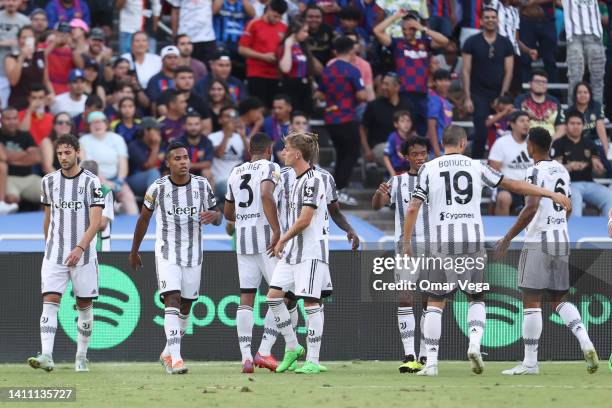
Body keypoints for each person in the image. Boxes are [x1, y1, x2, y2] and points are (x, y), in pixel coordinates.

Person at [402, 125, 570, 376]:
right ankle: (475, 345)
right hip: (472, 241)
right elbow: (513, 185)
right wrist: (549, 193)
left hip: (440, 244)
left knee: (435, 303)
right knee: (476, 298)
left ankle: (433, 363)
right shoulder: (476, 166)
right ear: (463, 143)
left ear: (443, 142)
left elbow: (414, 207)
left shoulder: (428, 168)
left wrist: (406, 242)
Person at [495, 127, 599, 375]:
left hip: (539, 240)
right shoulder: (561, 169)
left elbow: (530, 207)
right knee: (559, 299)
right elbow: (569, 207)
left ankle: (530, 363)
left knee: (531, 302)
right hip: (561, 238)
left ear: (530, 146)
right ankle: (586, 341)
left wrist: (508, 237)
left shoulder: (534, 171)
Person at [129, 141, 222, 375]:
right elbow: (143, 220)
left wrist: (215, 215)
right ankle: (177, 360)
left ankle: (167, 352)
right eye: (178, 158)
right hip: (167, 253)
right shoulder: (157, 188)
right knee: (172, 299)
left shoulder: (202, 185)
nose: (183, 162)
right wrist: (134, 250)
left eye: (185, 157)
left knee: (186, 306)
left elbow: (219, 217)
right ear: (168, 163)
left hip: (193, 255)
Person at [27, 134, 103, 373]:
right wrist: (48, 246)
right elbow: (48, 218)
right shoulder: (48, 181)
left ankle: (81, 356)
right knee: (49, 303)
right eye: (60, 153)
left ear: (77, 152)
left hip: (84, 255)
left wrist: (80, 248)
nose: (63, 157)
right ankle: (47, 355)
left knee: (84, 306)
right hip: (55, 254)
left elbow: (96, 222)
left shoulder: (92, 182)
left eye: (68, 152)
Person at [266, 132, 328, 374]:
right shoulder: (294, 178)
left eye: (286, 149)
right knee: (273, 297)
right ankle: (293, 346)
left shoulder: (314, 180)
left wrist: (282, 238)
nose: (283, 153)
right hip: (293, 252)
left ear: (298, 154)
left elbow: (305, 220)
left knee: (311, 303)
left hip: (310, 252)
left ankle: (313, 360)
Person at [222, 132, 282, 373]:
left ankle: (246, 357)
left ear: (249, 150)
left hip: (243, 241)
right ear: (269, 150)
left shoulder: (235, 172)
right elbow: (267, 194)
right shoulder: (271, 167)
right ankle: (264, 350)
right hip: (268, 241)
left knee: (246, 297)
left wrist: (245, 219)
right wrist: (276, 229)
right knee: (281, 296)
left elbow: (227, 213)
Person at [371, 136, 430, 373]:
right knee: (405, 298)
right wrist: (378, 193)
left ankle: (426, 355)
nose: (420, 157)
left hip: (431, 247)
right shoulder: (397, 182)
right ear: (406, 157)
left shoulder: (435, 179)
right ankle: (409, 355)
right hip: (405, 248)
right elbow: (377, 205)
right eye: (415, 154)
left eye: (423, 153)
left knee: (429, 301)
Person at [373, 9, 448, 136]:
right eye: (405, 28)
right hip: (404, 94)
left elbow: (444, 41)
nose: (407, 31)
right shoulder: (397, 43)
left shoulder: (425, 43)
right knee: (405, 130)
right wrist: (395, 17)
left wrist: (422, 28)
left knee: (423, 131)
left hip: (423, 94)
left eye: (411, 28)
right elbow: (377, 31)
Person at [317, 36, 367, 206]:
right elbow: (361, 95)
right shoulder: (353, 70)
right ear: (352, 50)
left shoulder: (327, 70)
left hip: (331, 119)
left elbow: (320, 94)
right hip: (347, 117)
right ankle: (340, 189)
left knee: (341, 154)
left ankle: (335, 190)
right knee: (351, 154)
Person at [462, 6, 514, 159]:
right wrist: (467, 97)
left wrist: (503, 96)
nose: (490, 20)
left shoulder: (506, 43)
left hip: (499, 93)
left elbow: (509, 71)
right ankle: (476, 163)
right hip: (478, 94)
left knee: (503, 132)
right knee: (481, 132)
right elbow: (465, 70)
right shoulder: (471, 42)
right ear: (481, 21)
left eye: (493, 17)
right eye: (487, 17)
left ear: (498, 20)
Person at [551, 109, 612, 217]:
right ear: (566, 125)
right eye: (572, 123)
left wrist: (598, 169)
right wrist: (569, 167)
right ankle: (575, 232)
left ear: (583, 125)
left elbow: (598, 172)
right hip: (568, 184)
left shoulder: (590, 144)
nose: (576, 126)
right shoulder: (558, 143)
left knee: (609, 196)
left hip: (589, 183)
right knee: (575, 198)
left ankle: (608, 229)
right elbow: (554, 170)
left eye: (579, 123)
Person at [79, 111, 138, 214]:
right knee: (102, 205)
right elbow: (89, 166)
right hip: (94, 181)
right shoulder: (84, 140)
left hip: (117, 180)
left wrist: (119, 181)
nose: (97, 125)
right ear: (89, 126)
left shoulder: (117, 138)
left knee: (129, 198)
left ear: (106, 124)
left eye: (100, 122)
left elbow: (123, 162)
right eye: (93, 122)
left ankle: (134, 228)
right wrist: (104, 182)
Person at [238, 0, 288, 107]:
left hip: (276, 75)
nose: (277, 19)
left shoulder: (284, 27)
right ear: (269, 9)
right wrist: (263, 56)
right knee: (258, 108)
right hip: (257, 74)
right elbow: (242, 49)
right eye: (275, 16)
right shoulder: (253, 24)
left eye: (280, 17)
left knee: (275, 109)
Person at [360, 73, 412, 168]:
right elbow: (362, 129)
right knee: (393, 154)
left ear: (396, 87)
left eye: (387, 84)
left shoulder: (407, 106)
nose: (383, 87)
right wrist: (367, 150)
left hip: (402, 146)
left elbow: (412, 131)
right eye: (382, 84)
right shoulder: (374, 105)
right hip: (380, 147)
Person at [488, 111, 533, 215]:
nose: (526, 124)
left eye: (528, 121)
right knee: (503, 199)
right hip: (507, 186)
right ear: (512, 125)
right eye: (522, 121)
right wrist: (510, 184)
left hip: (529, 187)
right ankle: (502, 231)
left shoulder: (533, 142)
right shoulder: (501, 143)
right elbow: (493, 170)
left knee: (537, 199)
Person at [562, 0, 606, 104]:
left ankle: (597, 113)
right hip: (574, 37)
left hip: (594, 37)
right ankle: (572, 113)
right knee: (575, 77)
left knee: (597, 79)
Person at [0, 106, 42, 207]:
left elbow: (36, 158)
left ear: (18, 119)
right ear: (1, 120)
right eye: (8, 119)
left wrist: (10, 157)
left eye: (14, 118)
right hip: (9, 178)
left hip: (29, 177)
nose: (12, 122)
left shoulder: (25, 135)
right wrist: (25, 154)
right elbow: (3, 157)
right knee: (11, 200)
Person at [6, 25, 54, 110]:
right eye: (23, 37)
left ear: (35, 39)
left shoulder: (41, 55)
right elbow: (13, 81)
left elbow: (46, 80)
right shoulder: (11, 58)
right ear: (18, 40)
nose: (26, 40)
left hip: (39, 102)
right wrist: (21, 57)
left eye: (30, 37)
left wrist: (52, 93)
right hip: (20, 102)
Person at [208, 105, 248, 198]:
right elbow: (219, 154)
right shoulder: (212, 137)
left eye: (233, 116)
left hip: (241, 180)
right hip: (221, 181)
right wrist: (226, 135)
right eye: (227, 116)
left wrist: (243, 136)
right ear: (220, 120)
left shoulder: (241, 137)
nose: (231, 119)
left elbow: (249, 157)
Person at [278, 17, 316, 113]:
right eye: (304, 31)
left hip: (305, 86)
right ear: (295, 30)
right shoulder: (284, 47)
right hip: (291, 86)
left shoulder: (303, 47)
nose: (307, 34)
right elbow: (285, 69)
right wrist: (287, 45)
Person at [568, 81, 609, 166]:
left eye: (585, 92)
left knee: (606, 161)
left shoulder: (596, 106)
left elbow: (601, 129)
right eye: (579, 92)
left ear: (590, 94)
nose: (582, 95)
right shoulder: (570, 111)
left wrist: (606, 150)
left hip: (595, 142)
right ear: (575, 95)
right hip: (577, 143)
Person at [514, 69, 565, 138]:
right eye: (537, 81)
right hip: (526, 142)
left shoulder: (555, 102)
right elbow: (515, 124)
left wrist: (550, 142)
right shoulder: (520, 100)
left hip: (551, 143)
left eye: (544, 82)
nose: (541, 84)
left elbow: (561, 127)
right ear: (530, 84)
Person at [212, 0, 256, 77]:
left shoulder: (243, 4)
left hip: (239, 43)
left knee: (240, 70)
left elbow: (252, 14)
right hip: (221, 42)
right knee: (221, 67)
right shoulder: (221, 2)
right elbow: (213, 11)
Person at [0, 0, 31, 109]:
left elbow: (30, 43)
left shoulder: (25, 20)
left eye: (14, 0)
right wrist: (5, 43)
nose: (11, 3)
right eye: (8, 0)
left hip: (18, 71)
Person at [518, 0, 558, 83]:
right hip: (526, 18)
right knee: (525, 58)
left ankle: (553, 92)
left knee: (549, 58)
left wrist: (532, 2)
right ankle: (525, 90)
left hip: (547, 18)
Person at [168, 0, 217, 67]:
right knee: (184, 68)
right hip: (185, 36)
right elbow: (175, 12)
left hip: (206, 37)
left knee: (207, 70)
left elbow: (215, 9)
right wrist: (175, 36)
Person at [80, 160, 114, 252]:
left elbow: (102, 223)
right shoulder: (76, 191)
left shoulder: (104, 191)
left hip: (100, 247)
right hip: (79, 247)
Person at [127, 117, 162, 197]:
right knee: (154, 172)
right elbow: (148, 166)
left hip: (154, 179)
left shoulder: (160, 143)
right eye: (156, 129)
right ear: (146, 131)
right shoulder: (134, 146)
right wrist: (156, 146)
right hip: (133, 181)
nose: (159, 132)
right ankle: (153, 206)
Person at [179, 111, 214, 185]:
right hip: (182, 173)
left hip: (200, 174)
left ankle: (209, 196)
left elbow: (208, 164)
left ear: (201, 125)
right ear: (184, 126)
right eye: (190, 124)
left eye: (196, 124)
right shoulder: (178, 142)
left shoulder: (207, 142)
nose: (193, 127)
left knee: (207, 172)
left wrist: (190, 165)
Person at [383, 110, 419, 177]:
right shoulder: (393, 137)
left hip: (410, 171)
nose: (406, 124)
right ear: (396, 124)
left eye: (408, 121)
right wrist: (392, 173)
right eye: (402, 121)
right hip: (396, 171)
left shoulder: (414, 137)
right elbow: (386, 157)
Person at [427, 69, 453, 157]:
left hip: (444, 148)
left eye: (446, 80)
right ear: (434, 82)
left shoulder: (445, 101)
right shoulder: (434, 100)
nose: (444, 83)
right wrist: (436, 151)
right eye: (440, 80)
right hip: (435, 152)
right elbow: (431, 126)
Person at [145, 45, 179, 111]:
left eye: (175, 57)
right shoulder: (154, 80)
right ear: (162, 60)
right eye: (169, 58)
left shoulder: (182, 77)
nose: (173, 60)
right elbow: (154, 103)